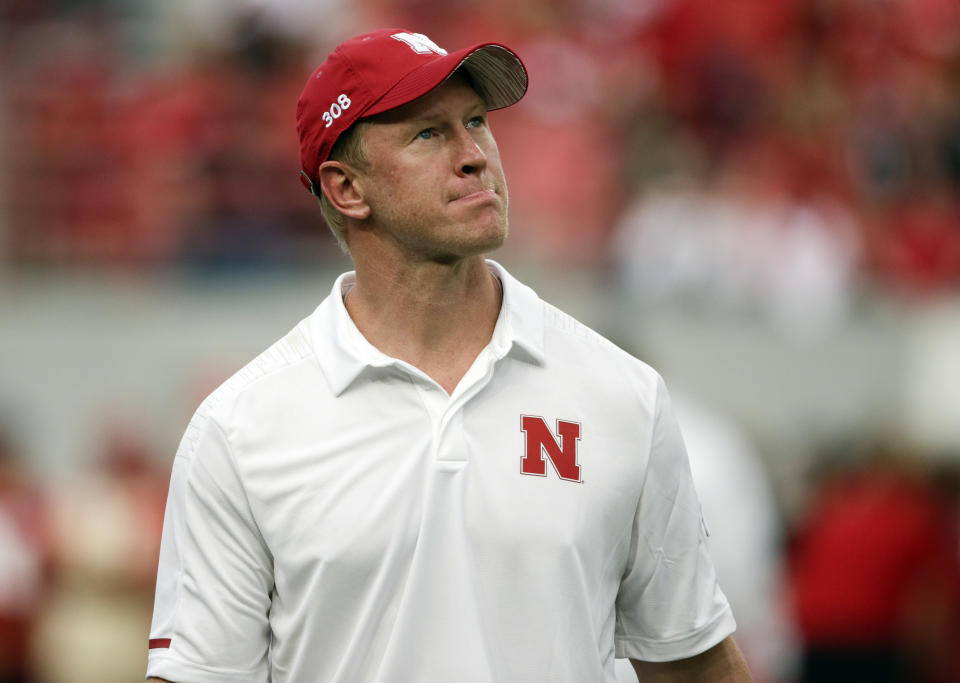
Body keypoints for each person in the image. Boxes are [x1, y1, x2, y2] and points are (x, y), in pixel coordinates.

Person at [145, 28, 751, 683]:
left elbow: (693, 660)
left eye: (476, 122)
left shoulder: (621, 394)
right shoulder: (240, 430)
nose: (475, 156)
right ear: (347, 189)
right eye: (428, 134)